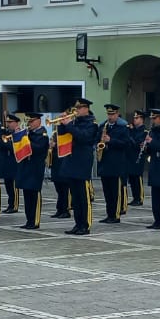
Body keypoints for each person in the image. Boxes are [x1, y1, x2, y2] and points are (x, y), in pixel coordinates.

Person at [57, 99, 99, 236]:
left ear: (86, 109)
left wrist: (69, 124)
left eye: (79, 108)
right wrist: (61, 122)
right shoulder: (74, 122)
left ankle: (85, 225)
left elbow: (83, 137)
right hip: (71, 161)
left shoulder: (91, 123)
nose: (77, 110)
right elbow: (63, 135)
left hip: (82, 162)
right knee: (75, 197)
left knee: (83, 197)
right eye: (76, 108)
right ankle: (77, 223)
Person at [97, 103, 135, 223]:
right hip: (104, 163)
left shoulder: (123, 127)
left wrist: (111, 140)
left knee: (115, 192)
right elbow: (96, 140)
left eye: (112, 114)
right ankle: (109, 214)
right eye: (108, 114)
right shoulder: (103, 126)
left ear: (117, 114)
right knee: (107, 192)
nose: (110, 116)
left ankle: (116, 215)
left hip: (117, 163)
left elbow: (127, 144)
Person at [12, 111, 49, 230]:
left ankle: (35, 221)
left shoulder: (42, 134)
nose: (30, 124)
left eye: (32, 121)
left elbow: (38, 148)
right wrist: (18, 136)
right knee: (27, 196)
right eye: (29, 121)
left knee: (34, 196)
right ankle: (29, 220)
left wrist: (25, 140)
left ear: (38, 121)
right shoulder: (29, 134)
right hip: (26, 168)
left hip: (35, 168)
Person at [128, 110, 147, 206]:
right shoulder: (133, 130)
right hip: (130, 156)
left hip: (138, 157)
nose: (134, 120)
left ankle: (139, 198)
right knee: (131, 178)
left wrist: (130, 134)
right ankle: (135, 197)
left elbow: (137, 143)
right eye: (134, 118)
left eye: (137, 118)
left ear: (142, 119)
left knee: (137, 178)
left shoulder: (144, 131)